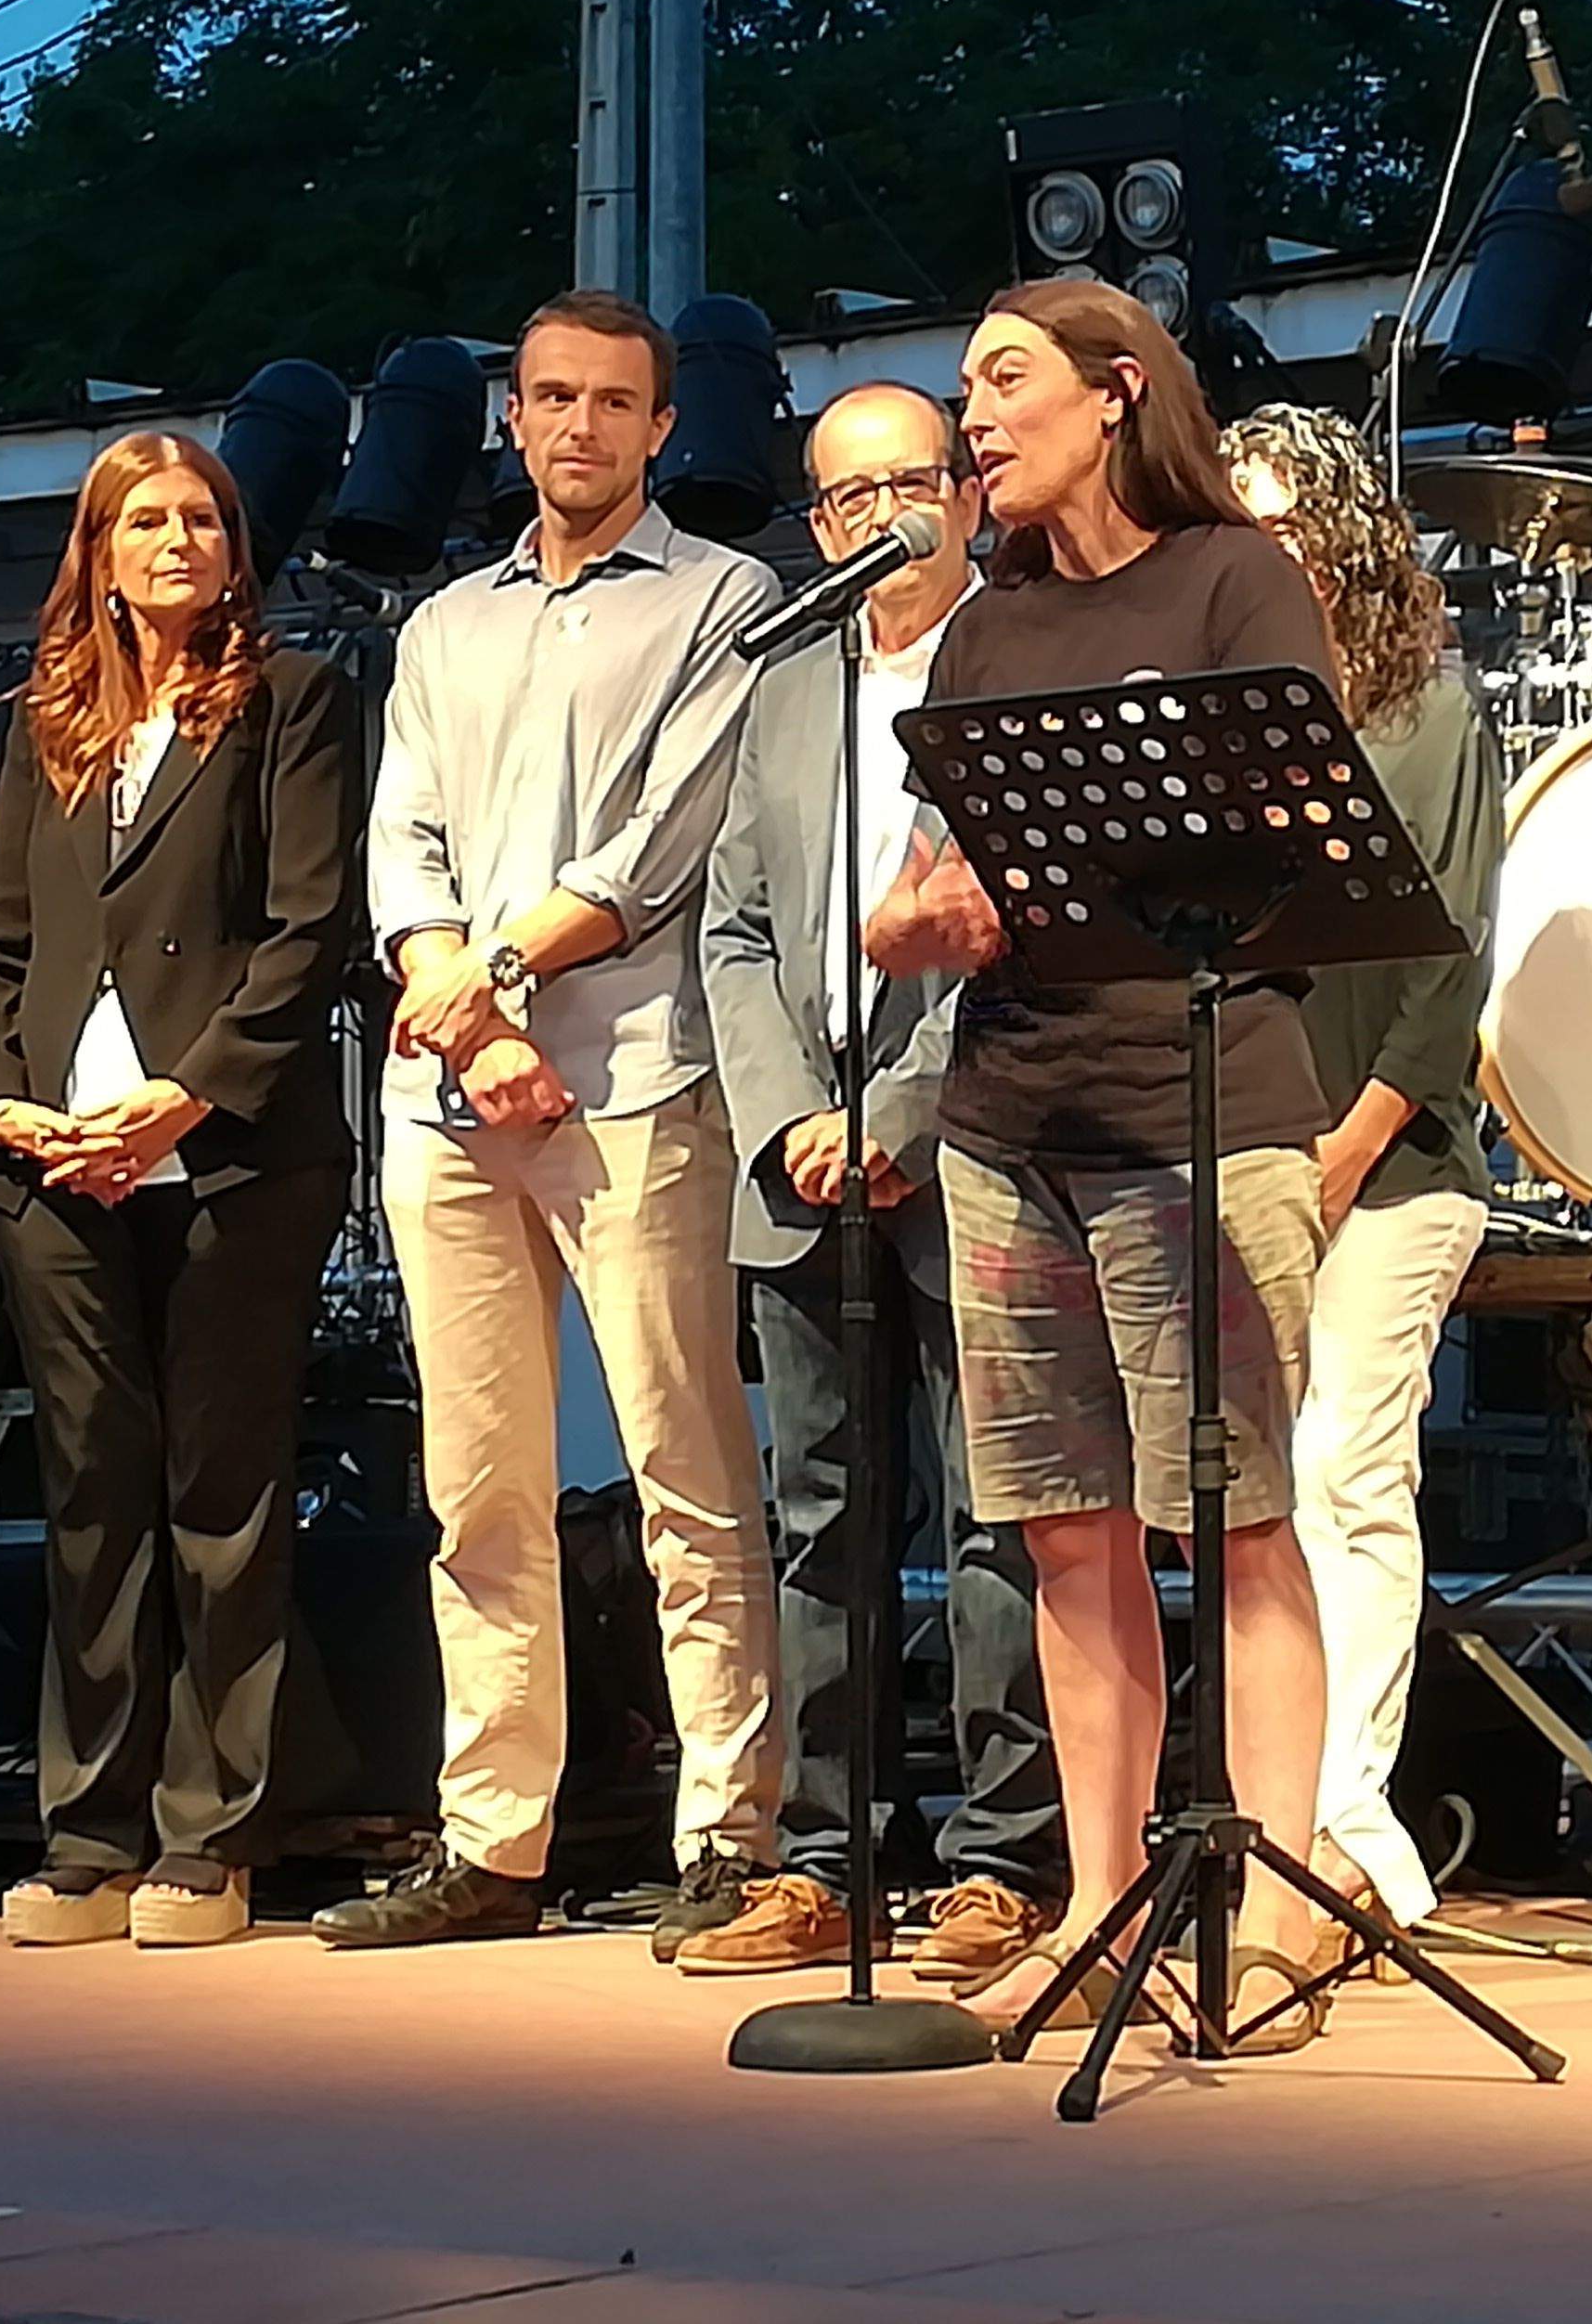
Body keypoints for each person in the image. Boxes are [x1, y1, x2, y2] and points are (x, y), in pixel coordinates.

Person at [866, 278, 1341, 2048]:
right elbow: (941, 868)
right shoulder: (984, 623)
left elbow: (1295, 842)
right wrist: (915, 917)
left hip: (1197, 1110)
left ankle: (1278, 1915)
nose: (973, 418)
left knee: (1239, 1524)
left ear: (1117, 392)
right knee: (1067, 1531)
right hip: (1011, 1120)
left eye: (1004, 382)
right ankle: (1096, 1893)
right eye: (966, 388)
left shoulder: (1235, 582)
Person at [316, 290, 784, 1956]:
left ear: (664, 428)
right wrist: (453, 994)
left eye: (614, 401)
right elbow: (405, 837)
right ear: (509, 418)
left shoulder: (731, 602)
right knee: (478, 1490)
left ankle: (732, 1833)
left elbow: (666, 847)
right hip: (449, 1091)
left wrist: (492, 978)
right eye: (550, 398)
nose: (578, 426)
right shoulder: (445, 625)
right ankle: (492, 1841)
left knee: (686, 1476)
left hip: (637, 1077)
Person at [683, 382, 1068, 1982]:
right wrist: (785, 1114)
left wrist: (900, 1114)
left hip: (967, 1146)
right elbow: (733, 925)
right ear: (820, 521)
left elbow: (1030, 921)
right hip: (796, 1168)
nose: (886, 519)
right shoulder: (780, 684)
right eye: (851, 499)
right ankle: (829, 1857)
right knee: (819, 1518)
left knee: (996, 1517)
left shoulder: (1025, 657)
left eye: (917, 483)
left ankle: (1004, 1861)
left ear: (967, 499)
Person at [0, 431, 360, 1948]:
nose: (177, 540)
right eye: (146, 521)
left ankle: (214, 1836)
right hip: (53, 1163)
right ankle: (88, 1834)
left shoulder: (296, 703)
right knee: (88, 1499)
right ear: (100, 552)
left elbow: (309, 931)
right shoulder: (43, 728)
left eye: (201, 517)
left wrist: (183, 1096)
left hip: (232, 1154)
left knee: (222, 1497)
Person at [1225, 406, 1505, 1945]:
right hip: (1241, 1145)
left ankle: (1340, 1826)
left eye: (1278, 525)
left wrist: (1341, 1150)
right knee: (1254, 1494)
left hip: (1391, 1162)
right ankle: (1297, 1819)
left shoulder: (1426, 708)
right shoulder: (1218, 705)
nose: (1253, 553)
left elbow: (1447, 967)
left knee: (1345, 1474)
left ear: (1339, 537)